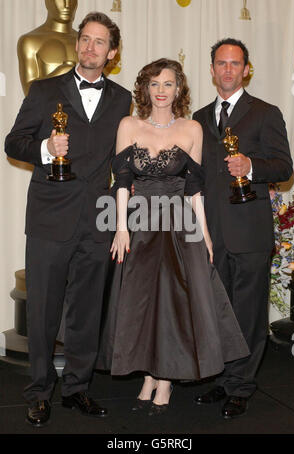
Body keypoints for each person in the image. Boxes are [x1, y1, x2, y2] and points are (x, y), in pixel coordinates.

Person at [96, 58, 250, 416]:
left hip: (180, 227)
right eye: (154, 84)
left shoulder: (192, 128)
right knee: (141, 303)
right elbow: (121, 182)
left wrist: (206, 235)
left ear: (178, 89)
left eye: (168, 84)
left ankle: (164, 380)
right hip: (139, 226)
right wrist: (120, 227)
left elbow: (195, 189)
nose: (161, 91)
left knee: (173, 306)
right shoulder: (128, 124)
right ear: (144, 89)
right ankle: (148, 374)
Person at [5, 12, 131, 427]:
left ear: (111, 53)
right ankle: (39, 392)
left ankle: (77, 389)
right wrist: (44, 147)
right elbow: (13, 141)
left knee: (87, 311)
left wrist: (119, 216)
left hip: (97, 220)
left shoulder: (122, 99)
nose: (90, 47)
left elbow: (123, 163)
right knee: (42, 311)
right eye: (85, 40)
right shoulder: (45, 90)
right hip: (48, 219)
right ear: (78, 44)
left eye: (100, 42)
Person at [192, 38, 293, 418]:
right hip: (211, 234)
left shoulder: (266, 113)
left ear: (247, 69)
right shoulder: (200, 118)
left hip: (250, 233)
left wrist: (251, 166)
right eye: (222, 63)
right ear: (213, 69)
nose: (228, 70)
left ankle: (240, 386)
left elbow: (283, 168)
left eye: (235, 63)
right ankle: (222, 380)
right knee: (218, 312)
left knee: (248, 314)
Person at [17, 0, 79, 96]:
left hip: (81, 111)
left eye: (71, 0)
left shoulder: (86, 43)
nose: (67, 5)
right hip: (46, 110)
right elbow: (29, 93)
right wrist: (63, 71)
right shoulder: (30, 41)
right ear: (47, 2)